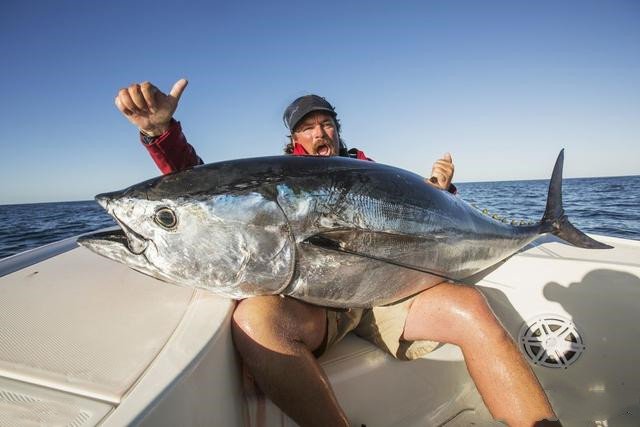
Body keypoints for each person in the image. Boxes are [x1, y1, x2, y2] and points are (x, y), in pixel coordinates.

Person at [115, 79, 562, 427]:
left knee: (469, 306)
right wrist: (161, 132)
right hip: (314, 307)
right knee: (255, 320)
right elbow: (210, 202)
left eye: (326, 122)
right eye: (307, 127)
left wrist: (441, 192)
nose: (320, 132)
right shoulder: (276, 184)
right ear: (294, 141)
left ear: (338, 130)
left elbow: (424, 222)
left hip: (385, 297)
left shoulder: (372, 175)